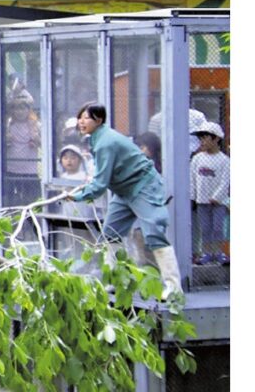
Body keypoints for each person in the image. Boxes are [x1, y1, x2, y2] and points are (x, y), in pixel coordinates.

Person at [67, 103, 184, 300]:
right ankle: (114, 280)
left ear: (99, 120)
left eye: (86, 118)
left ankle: (174, 287)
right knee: (110, 234)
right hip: (122, 190)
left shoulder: (106, 142)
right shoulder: (96, 139)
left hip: (143, 186)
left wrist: (78, 196)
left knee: (154, 232)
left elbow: (100, 184)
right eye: (80, 117)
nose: (81, 122)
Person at [189, 122, 230, 265]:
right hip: (201, 201)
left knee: (218, 227)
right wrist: (193, 198)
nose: (202, 142)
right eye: (201, 139)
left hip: (218, 202)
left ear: (216, 139)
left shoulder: (224, 160)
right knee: (205, 228)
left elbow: (225, 181)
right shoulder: (197, 159)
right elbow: (192, 179)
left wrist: (217, 197)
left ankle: (218, 252)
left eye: (205, 138)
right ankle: (206, 253)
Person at [3, 93, 41, 206]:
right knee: (11, 202)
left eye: (23, 108)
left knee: (32, 202)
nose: (20, 112)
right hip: (11, 170)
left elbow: (45, 144)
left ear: (29, 110)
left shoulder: (36, 125)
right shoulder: (8, 125)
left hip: (30, 171)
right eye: (17, 109)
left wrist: (35, 137)